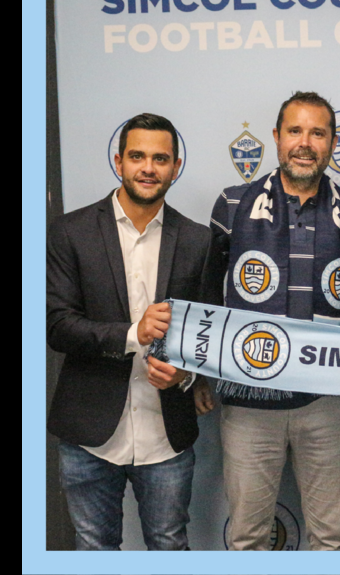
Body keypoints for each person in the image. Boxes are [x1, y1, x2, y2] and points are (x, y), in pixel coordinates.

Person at [203, 91, 340, 550]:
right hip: (249, 400)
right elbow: (203, 295)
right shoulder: (232, 204)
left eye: (317, 132)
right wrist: (196, 373)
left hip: (327, 400)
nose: (305, 142)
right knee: (247, 538)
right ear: (276, 138)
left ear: (333, 142)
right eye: (295, 131)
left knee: (333, 538)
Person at [47, 112, 214, 550]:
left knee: (169, 544)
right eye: (137, 156)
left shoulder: (198, 240)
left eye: (160, 158)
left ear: (176, 167)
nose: (148, 167)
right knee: (95, 549)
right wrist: (132, 334)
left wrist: (188, 376)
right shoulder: (71, 231)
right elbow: (58, 326)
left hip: (167, 436)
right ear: (118, 161)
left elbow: (208, 334)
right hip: (89, 435)